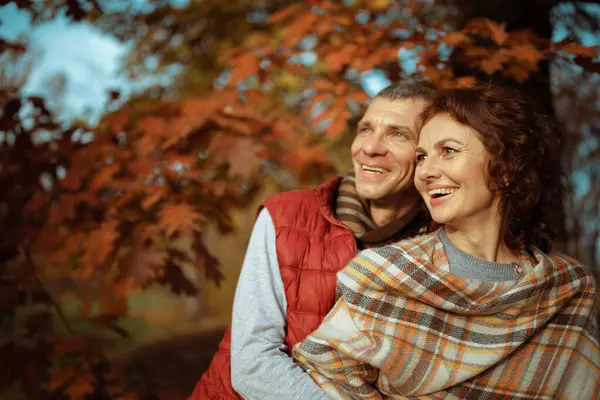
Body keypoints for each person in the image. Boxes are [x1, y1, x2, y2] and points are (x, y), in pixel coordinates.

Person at [292, 84, 600, 399]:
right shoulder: (385, 274)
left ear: (506, 167)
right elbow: (325, 381)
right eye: (422, 157)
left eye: (448, 151)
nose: (425, 172)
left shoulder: (567, 289)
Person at [188, 81, 437, 400]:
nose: (369, 147)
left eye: (397, 134)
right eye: (365, 129)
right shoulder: (286, 217)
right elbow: (252, 363)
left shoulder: (442, 243)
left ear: (427, 155)